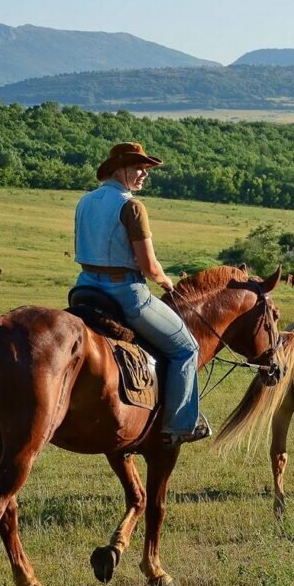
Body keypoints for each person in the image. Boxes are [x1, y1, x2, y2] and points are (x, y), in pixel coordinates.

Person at [73, 142, 210, 445]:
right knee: (186, 348)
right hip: (125, 293)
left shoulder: (85, 201)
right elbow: (148, 265)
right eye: (139, 168)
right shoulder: (131, 206)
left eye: (146, 169)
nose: (144, 174)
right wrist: (165, 281)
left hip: (84, 288)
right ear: (119, 168)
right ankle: (180, 425)